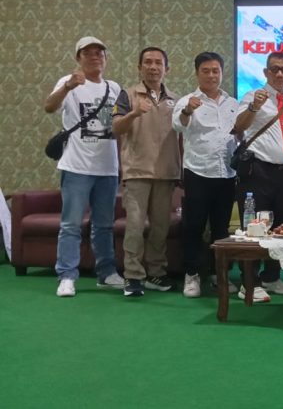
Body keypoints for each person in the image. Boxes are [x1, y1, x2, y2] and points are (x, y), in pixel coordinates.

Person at [43, 36, 125, 297]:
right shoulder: (69, 83)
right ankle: (67, 276)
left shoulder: (114, 88)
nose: (94, 57)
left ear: (105, 59)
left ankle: (107, 273)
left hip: (107, 168)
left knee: (104, 225)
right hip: (76, 166)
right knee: (71, 225)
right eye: (87, 53)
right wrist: (67, 86)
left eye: (99, 53)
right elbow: (49, 107)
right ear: (78, 58)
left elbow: (120, 126)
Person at [233, 52, 283, 302]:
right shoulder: (253, 96)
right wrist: (254, 107)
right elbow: (239, 126)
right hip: (257, 171)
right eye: (275, 69)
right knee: (255, 228)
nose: (280, 74)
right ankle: (249, 283)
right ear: (266, 72)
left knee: (279, 228)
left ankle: (271, 277)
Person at [111, 47, 180, 297]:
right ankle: (133, 276)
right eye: (148, 62)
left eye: (158, 63)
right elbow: (116, 128)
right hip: (137, 172)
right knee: (135, 227)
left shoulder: (176, 100)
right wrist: (134, 113)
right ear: (139, 67)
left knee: (161, 228)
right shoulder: (127, 95)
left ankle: (156, 273)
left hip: (166, 173)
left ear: (166, 68)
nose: (153, 67)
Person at [172, 52, 239, 298]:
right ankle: (192, 275)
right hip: (198, 172)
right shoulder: (187, 101)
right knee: (194, 226)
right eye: (206, 71)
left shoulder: (233, 103)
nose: (211, 75)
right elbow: (177, 125)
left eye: (215, 71)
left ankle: (218, 274)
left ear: (222, 72)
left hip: (227, 173)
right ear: (197, 73)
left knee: (221, 228)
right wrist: (188, 110)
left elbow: (239, 132)